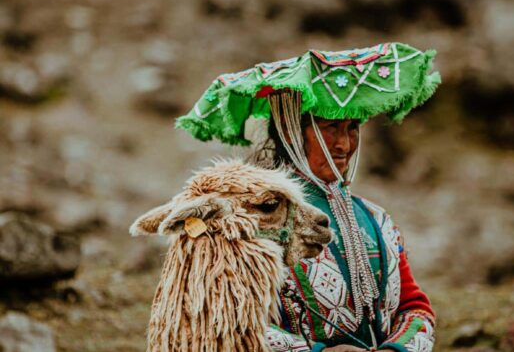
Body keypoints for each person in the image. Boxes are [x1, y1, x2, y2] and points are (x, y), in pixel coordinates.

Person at [176, 42, 441, 351]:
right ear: (291, 132)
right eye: (331, 128)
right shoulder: (251, 219)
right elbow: (231, 320)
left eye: (352, 128)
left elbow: (414, 306)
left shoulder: (376, 219)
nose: (344, 143)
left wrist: (395, 349)